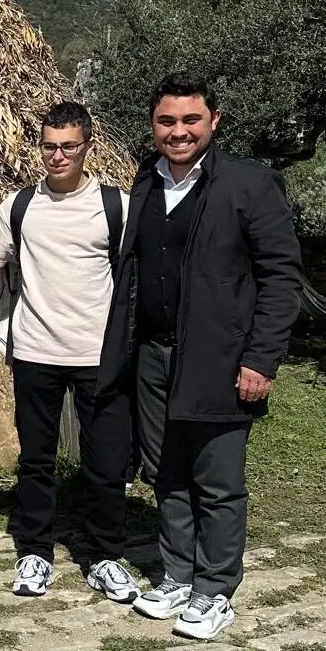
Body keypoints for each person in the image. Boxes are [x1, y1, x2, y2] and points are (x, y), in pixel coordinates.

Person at [98, 73, 302, 640]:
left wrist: (261, 359)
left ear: (215, 122)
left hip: (221, 359)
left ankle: (215, 589)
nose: (179, 131)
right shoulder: (145, 184)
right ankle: (179, 574)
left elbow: (281, 279)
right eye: (167, 121)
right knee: (167, 474)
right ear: (153, 126)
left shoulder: (250, 184)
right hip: (153, 358)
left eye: (191, 120)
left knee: (217, 481)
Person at [0, 102, 138, 602]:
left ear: (87, 146)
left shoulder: (116, 205)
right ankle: (35, 553)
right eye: (49, 146)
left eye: (68, 146)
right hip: (37, 353)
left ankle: (106, 556)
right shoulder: (20, 206)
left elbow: (141, 270)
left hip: (98, 356)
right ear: (39, 147)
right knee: (36, 460)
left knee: (107, 464)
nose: (58, 155)